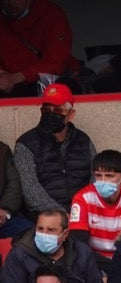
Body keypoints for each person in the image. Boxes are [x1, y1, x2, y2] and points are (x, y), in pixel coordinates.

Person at [2, 206, 107, 283]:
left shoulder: (82, 252)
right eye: (40, 229)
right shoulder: (19, 254)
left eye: (51, 230)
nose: (44, 234)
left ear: (65, 234)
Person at [13, 84, 94, 217]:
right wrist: (61, 215)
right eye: (46, 110)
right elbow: (31, 191)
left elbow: (95, 177)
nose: (50, 114)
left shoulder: (83, 140)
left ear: (71, 114)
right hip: (44, 217)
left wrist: (81, 211)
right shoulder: (26, 144)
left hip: (83, 213)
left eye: (57, 111)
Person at [0, 0, 74, 95]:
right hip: (6, 83)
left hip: (42, 82)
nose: (11, 2)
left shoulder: (53, 16)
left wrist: (16, 78)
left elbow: (56, 63)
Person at [71, 148, 121, 261]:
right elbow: (79, 243)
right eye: (98, 175)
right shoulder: (82, 198)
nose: (103, 181)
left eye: (109, 176)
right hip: (92, 261)